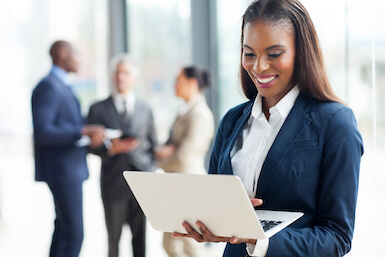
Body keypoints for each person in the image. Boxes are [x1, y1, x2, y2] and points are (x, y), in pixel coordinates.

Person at [173, 0, 364, 256]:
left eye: (274, 54)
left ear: (301, 52)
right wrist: (206, 224)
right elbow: (215, 205)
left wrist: (259, 239)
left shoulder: (335, 123)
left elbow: (337, 237)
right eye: (249, 53)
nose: (259, 66)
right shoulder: (231, 122)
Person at [31, 40, 105, 257]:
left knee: (64, 231)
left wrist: (92, 136)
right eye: (77, 54)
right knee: (74, 234)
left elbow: (66, 126)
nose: (80, 60)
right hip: (62, 171)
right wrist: (82, 131)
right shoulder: (49, 86)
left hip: (68, 168)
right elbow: (43, 132)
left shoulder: (61, 85)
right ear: (62, 53)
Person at [87, 53, 158, 257]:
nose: (120, 77)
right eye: (117, 73)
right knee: (113, 243)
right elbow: (88, 146)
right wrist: (111, 149)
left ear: (135, 78)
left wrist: (152, 167)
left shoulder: (146, 108)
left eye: (125, 73)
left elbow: (152, 144)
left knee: (140, 241)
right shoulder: (97, 109)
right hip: (113, 184)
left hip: (141, 184)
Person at [155, 66, 214, 257]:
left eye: (178, 80)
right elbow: (170, 146)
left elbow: (183, 156)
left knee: (190, 244)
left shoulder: (200, 114)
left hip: (189, 184)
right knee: (171, 244)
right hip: (175, 184)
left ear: (192, 83)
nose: (174, 85)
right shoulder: (183, 111)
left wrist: (158, 161)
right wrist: (164, 152)